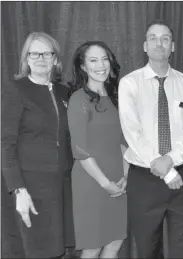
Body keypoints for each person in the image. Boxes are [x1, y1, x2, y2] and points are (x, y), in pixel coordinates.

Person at [118, 19, 183, 258]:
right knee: (147, 250)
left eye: (165, 38)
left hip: (182, 176)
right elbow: (131, 131)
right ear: (145, 46)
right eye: (153, 38)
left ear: (173, 46)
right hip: (144, 179)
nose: (160, 43)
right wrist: (163, 167)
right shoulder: (129, 83)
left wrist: (171, 161)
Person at [1, 32, 73, 258]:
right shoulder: (16, 90)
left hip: (61, 186)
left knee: (58, 250)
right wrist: (18, 190)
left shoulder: (65, 92)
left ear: (55, 59)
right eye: (34, 53)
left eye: (47, 53)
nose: (40, 58)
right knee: (35, 251)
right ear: (26, 58)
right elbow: (5, 144)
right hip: (30, 187)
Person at [67, 41, 127, 259]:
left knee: (114, 243)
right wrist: (105, 184)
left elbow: (123, 141)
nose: (100, 65)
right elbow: (80, 149)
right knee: (92, 247)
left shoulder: (115, 97)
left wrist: (125, 176)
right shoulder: (79, 99)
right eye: (93, 60)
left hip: (118, 179)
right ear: (83, 66)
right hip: (91, 183)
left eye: (104, 58)